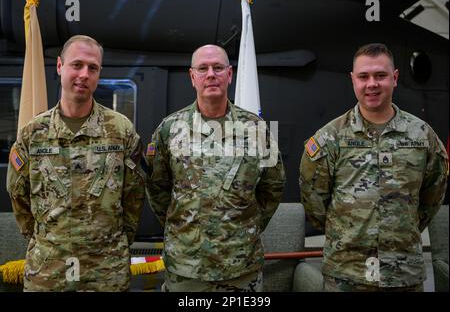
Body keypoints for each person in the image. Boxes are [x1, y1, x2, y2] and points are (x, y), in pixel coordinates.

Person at [299, 43, 448, 292]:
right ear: (353, 80)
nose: (372, 84)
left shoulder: (423, 136)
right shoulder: (329, 138)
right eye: (364, 76)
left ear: (395, 78)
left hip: (403, 275)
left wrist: (400, 228)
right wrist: (349, 231)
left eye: (380, 75)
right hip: (346, 275)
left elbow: (432, 196)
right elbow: (314, 203)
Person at [6, 35, 145, 291]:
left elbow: (134, 196)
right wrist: (49, 240)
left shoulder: (120, 130)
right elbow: (18, 197)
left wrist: (112, 242)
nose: (84, 74)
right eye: (76, 64)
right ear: (60, 66)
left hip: (106, 272)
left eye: (92, 68)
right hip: (48, 273)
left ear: (99, 73)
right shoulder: (32, 133)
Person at [145, 44, 285, 292]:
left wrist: (244, 228)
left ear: (229, 75)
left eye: (218, 68)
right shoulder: (169, 129)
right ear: (192, 76)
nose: (211, 74)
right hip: (186, 268)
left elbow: (272, 187)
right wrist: (184, 227)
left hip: (240, 267)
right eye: (203, 68)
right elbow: (157, 189)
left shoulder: (258, 129)